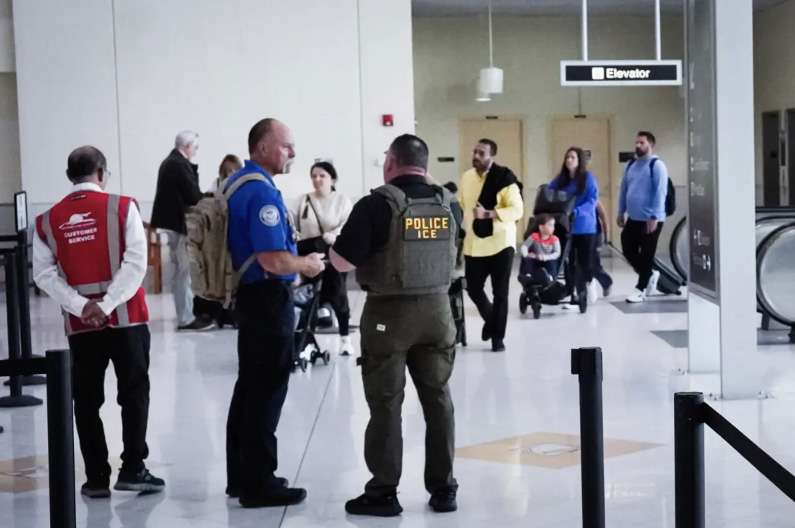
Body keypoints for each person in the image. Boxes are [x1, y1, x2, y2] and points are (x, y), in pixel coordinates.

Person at [330, 134, 460, 517]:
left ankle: (383, 492)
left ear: (390, 162)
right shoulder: (450, 204)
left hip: (389, 316)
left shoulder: (376, 204)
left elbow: (341, 262)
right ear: (425, 163)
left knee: (386, 403)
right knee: (438, 400)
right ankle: (444, 489)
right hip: (439, 313)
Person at [33, 146, 165, 498]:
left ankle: (95, 478)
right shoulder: (124, 208)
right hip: (128, 320)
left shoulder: (47, 221)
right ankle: (134, 468)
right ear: (102, 173)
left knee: (87, 399)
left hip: (81, 327)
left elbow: (43, 274)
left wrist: (81, 305)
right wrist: (107, 304)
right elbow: (137, 263)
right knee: (134, 393)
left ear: (69, 176)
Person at [224, 118, 324, 508]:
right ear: (263, 148)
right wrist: (307, 265)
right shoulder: (262, 195)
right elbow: (273, 259)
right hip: (267, 301)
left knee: (248, 388)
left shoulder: (238, 184)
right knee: (266, 391)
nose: (293, 153)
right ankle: (260, 483)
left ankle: (242, 475)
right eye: (286, 146)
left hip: (251, 300)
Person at [459, 138, 524, 352]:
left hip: (501, 243)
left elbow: (517, 210)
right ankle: (491, 320)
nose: (476, 156)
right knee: (474, 288)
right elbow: (461, 206)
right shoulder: (467, 177)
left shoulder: (504, 179)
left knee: (500, 293)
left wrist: (489, 213)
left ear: (491, 156)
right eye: (475, 152)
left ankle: (498, 339)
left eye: (482, 153)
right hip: (474, 244)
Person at [150, 130, 213, 330]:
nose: (196, 151)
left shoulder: (171, 162)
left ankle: (185, 314)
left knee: (180, 271)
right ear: (187, 146)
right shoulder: (178, 164)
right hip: (177, 225)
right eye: (195, 147)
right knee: (184, 272)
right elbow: (193, 195)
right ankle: (186, 318)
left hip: (171, 224)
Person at [291, 161, 354, 355]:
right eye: (314, 176)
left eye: (322, 176)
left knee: (337, 293)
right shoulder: (303, 200)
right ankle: (305, 337)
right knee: (308, 295)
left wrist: (334, 235)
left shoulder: (342, 200)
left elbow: (348, 224)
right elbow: (292, 223)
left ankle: (345, 339)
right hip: (309, 251)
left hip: (333, 251)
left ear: (332, 179)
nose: (317, 179)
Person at [617, 131, 670, 303]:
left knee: (647, 254)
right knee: (627, 249)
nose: (637, 145)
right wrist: (620, 211)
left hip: (652, 219)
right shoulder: (631, 165)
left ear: (651, 145)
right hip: (633, 218)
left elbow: (660, 192)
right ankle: (650, 273)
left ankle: (640, 289)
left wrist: (654, 216)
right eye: (636, 142)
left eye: (641, 143)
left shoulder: (657, 165)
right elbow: (624, 190)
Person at [193, 154, 245, 327]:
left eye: (234, 170)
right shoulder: (213, 189)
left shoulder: (241, 187)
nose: (231, 173)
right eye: (228, 171)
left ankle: (231, 313)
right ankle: (216, 314)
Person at [548, 147, 599, 311]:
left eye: (572, 157)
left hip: (585, 226)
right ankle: (573, 295)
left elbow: (592, 200)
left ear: (579, 161)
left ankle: (590, 282)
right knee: (569, 262)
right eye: (567, 157)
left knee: (585, 262)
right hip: (566, 227)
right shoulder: (561, 180)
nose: (569, 160)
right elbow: (549, 191)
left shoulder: (587, 178)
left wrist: (576, 211)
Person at [519, 213, 561, 283]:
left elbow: (557, 253)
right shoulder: (534, 236)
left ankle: (550, 276)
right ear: (541, 227)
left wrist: (546, 257)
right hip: (536, 258)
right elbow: (524, 246)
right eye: (550, 225)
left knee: (552, 262)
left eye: (553, 225)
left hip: (548, 259)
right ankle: (528, 274)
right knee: (527, 259)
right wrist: (526, 254)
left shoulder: (554, 239)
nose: (553, 227)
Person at [592, 200, 614, 297]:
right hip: (579, 235)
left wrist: (606, 237)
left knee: (594, 264)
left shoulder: (595, 201)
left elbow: (604, 218)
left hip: (595, 235)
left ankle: (606, 282)